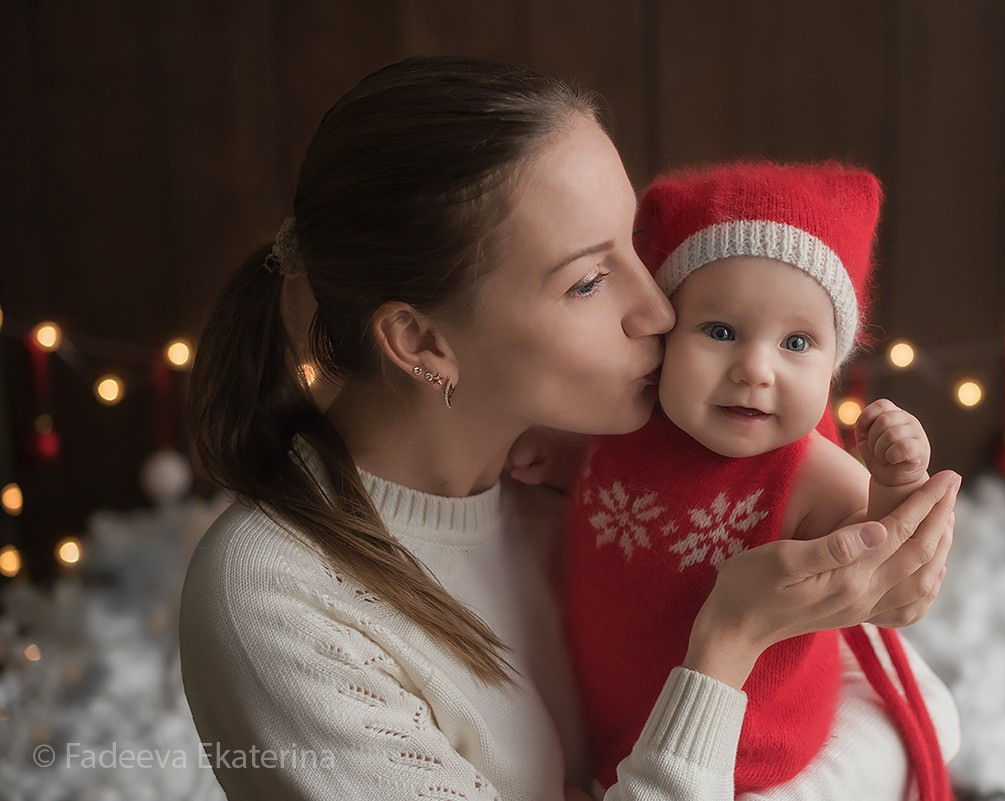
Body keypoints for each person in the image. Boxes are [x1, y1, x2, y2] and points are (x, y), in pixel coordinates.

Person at [179, 56, 961, 801]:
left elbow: (916, 706)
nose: (659, 310)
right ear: (422, 343)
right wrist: (727, 642)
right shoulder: (276, 598)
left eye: (636, 248)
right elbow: (873, 726)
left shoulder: (605, 455)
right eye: (588, 280)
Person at [555, 161, 954, 799]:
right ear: (665, 336)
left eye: (797, 343)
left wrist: (895, 479)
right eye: (720, 332)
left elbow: (880, 557)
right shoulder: (625, 425)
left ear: (835, 363)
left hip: (748, 755)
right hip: (620, 726)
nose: (755, 370)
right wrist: (554, 456)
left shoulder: (805, 473)